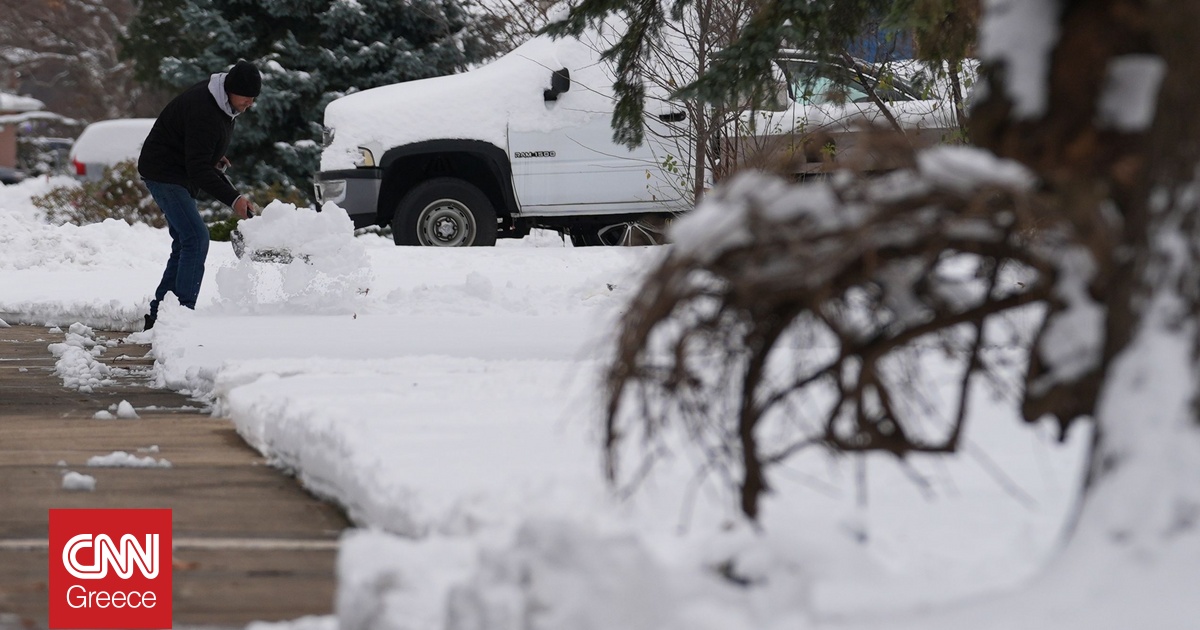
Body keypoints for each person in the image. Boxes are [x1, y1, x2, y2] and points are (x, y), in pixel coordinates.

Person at [138, 59, 261, 330]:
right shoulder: (205, 108)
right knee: (196, 237)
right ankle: (181, 315)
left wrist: (213, 155)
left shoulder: (223, 104)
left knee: (185, 242)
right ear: (231, 88)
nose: (250, 103)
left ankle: (160, 317)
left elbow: (197, 149)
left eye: (254, 98)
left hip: (177, 170)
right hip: (165, 172)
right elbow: (197, 169)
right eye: (247, 97)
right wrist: (234, 199)